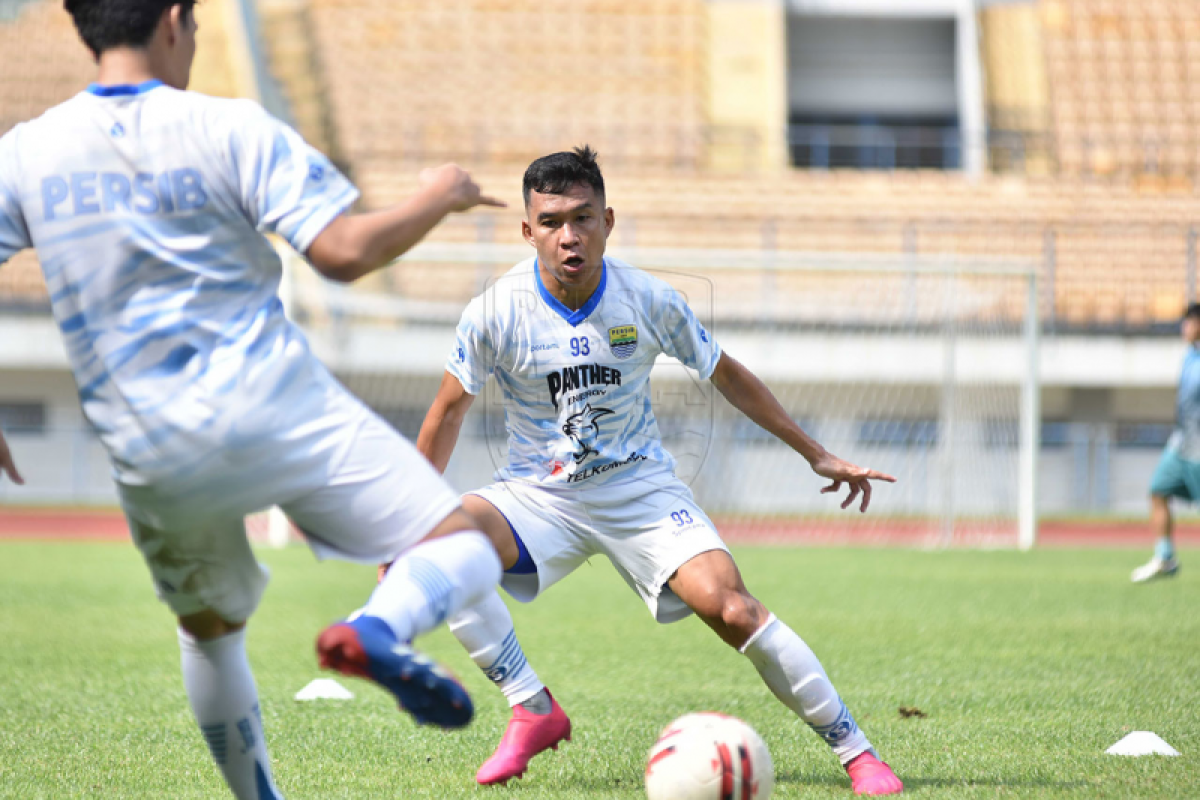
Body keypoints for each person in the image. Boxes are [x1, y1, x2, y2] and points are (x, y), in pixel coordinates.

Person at [0, 2, 509, 797]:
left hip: (149, 446)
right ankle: (376, 630)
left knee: (208, 635)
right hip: (275, 404)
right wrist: (438, 197)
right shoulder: (230, 126)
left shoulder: (26, 153)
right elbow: (340, 253)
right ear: (173, 19)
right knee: (467, 544)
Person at [409, 146, 905, 796]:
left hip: (639, 489)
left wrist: (812, 450)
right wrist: (406, 518)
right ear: (527, 230)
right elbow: (446, 413)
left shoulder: (647, 300)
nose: (570, 236)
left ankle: (858, 752)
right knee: (441, 543)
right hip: (538, 494)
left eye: (583, 218)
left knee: (731, 608)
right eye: (552, 221)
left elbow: (726, 373)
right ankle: (532, 708)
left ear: (608, 221)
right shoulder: (493, 312)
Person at [1131, 302, 1200, 582]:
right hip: (1181, 442)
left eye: (1189, 322)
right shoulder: (1189, 356)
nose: (1184, 328)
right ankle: (1165, 557)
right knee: (1158, 490)